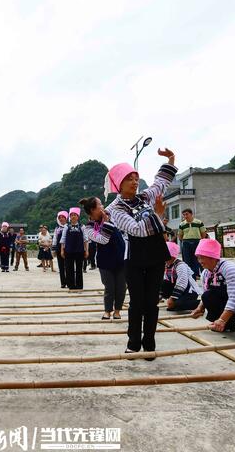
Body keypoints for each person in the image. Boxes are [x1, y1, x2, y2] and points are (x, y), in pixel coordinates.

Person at [105, 149, 176, 356]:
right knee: (137, 302)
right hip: (134, 258)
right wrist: (158, 215)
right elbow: (137, 229)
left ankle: (149, 342)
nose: (135, 183)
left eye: (136, 178)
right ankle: (134, 342)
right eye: (130, 179)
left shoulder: (144, 197)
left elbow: (160, 183)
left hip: (155, 255)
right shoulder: (115, 209)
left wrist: (170, 159)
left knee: (152, 302)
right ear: (119, 183)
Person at [80, 197, 126, 320]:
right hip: (105, 260)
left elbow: (118, 201)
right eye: (100, 204)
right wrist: (106, 223)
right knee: (109, 287)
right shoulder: (89, 228)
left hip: (120, 257)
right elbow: (103, 240)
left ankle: (117, 311)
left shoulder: (110, 214)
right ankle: (107, 310)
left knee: (121, 287)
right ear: (92, 210)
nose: (103, 207)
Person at [160, 242, 202, 311]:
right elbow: (165, 283)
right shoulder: (167, 265)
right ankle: (175, 302)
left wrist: (172, 298)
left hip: (189, 291)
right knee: (163, 283)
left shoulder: (180, 265)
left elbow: (182, 283)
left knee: (179, 305)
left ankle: (200, 304)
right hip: (179, 290)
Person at [61, 207, 88, 289]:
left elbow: (85, 239)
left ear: (78, 216)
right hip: (69, 251)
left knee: (79, 269)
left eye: (75, 215)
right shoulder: (66, 227)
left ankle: (79, 286)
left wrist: (86, 250)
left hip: (79, 251)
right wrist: (62, 250)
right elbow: (63, 239)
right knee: (69, 269)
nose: (73, 216)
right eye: (71, 215)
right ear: (69, 217)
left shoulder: (82, 227)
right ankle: (71, 285)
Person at [178, 208, 207, 279]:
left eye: (187, 214)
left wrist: (200, 240)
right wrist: (185, 240)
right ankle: (190, 276)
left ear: (191, 214)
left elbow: (203, 233)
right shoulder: (182, 224)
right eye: (184, 215)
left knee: (198, 258)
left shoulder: (199, 222)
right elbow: (180, 235)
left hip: (197, 242)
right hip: (186, 243)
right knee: (187, 260)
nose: (185, 216)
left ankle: (199, 275)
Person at [52, 211, 69, 288]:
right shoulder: (57, 229)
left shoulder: (69, 227)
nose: (61, 219)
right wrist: (54, 249)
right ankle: (63, 282)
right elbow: (55, 239)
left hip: (68, 248)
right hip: (59, 249)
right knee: (61, 266)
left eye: (63, 217)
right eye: (60, 217)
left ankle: (69, 281)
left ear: (66, 218)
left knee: (68, 266)